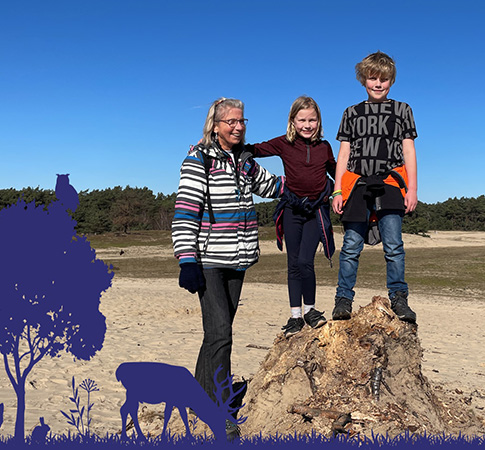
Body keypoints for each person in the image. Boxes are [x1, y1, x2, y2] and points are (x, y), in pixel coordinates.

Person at [172, 97, 284, 440]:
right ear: (215, 125)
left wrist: (316, 185)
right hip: (207, 261)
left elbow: (273, 186)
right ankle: (219, 411)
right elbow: (186, 208)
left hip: (239, 260)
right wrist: (186, 259)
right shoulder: (199, 159)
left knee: (216, 333)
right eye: (231, 121)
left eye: (242, 121)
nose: (238, 127)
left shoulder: (244, 163)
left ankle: (197, 394)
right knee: (221, 333)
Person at [331, 51, 418, 324]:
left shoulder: (402, 110)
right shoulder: (351, 113)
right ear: (363, 80)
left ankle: (399, 298)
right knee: (350, 246)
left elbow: (409, 150)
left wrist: (412, 189)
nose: (378, 84)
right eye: (372, 78)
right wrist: (337, 189)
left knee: (393, 246)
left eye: (384, 79)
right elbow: (343, 154)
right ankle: (343, 300)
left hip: (391, 182)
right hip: (356, 183)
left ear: (391, 80)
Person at [249, 96, 337, 338]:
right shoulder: (283, 144)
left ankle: (310, 310)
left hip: (315, 210)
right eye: (302, 120)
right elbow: (256, 149)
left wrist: (348, 181)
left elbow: (335, 169)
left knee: (305, 262)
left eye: (312, 120)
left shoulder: (324, 147)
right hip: (292, 209)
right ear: (292, 121)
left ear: (319, 121)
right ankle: (295, 315)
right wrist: (225, 143)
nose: (307, 125)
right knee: (293, 263)